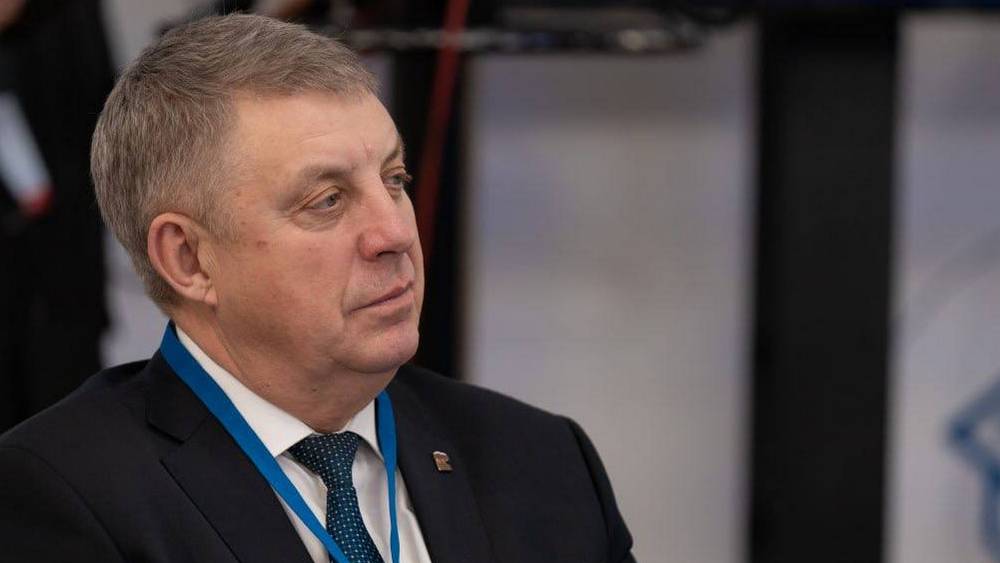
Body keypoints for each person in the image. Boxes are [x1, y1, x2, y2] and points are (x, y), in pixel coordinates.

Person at [0, 14, 634, 563]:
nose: (395, 233)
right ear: (189, 259)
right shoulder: (62, 494)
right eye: (327, 200)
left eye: (394, 179)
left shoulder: (543, 459)